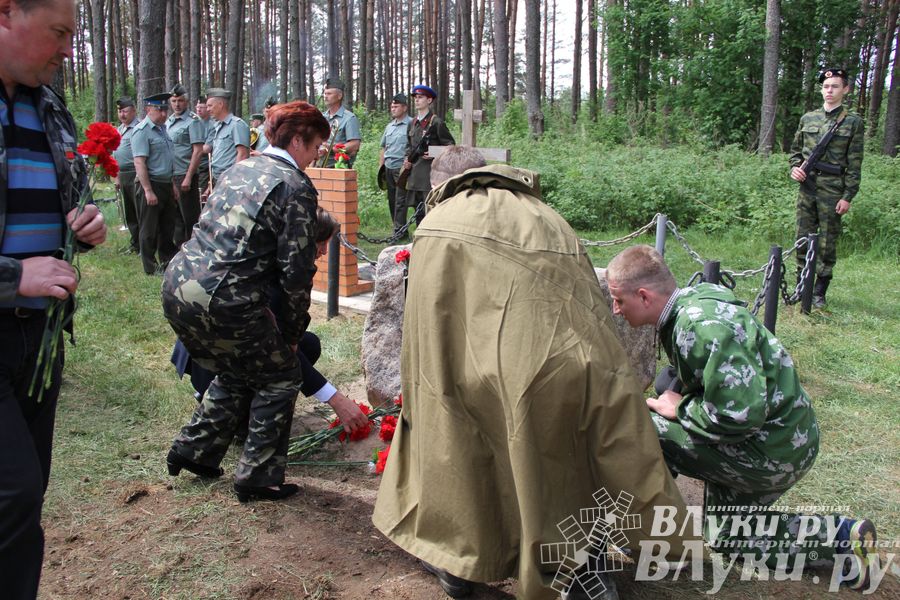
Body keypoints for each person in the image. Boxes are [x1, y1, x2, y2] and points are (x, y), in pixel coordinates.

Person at [373, 147, 697, 600]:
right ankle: (583, 574)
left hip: (476, 370)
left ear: (444, 185)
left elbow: (429, 325)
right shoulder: (548, 217)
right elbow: (590, 300)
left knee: (459, 454)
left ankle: (458, 565)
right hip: (566, 362)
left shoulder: (437, 225)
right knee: (563, 467)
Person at [605, 244, 876, 590]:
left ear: (643, 296)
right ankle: (842, 539)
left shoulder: (702, 327)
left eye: (619, 300)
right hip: (782, 439)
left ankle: (648, 525)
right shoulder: (693, 305)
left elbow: (738, 416)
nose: (615, 309)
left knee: (647, 428)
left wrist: (679, 408)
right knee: (729, 535)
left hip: (771, 451)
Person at [163, 101, 360, 503]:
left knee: (240, 367)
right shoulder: (295, 185)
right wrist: (289, 335)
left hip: (180, 286)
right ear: (298, 139)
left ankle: (194, 451)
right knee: (280, 374)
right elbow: (296, 271)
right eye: (318, 144)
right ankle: (258, 478)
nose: (320, 152)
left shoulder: (242, 167)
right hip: (227, 298)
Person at [0, 0, 108, 597]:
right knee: (10, 491)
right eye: (59, 32)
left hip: (38, 336)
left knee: (25, 499)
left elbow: (62, 206)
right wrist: (14, 277)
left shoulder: (50, 108)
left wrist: (82, 227)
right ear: (8, 13)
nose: (69, 48)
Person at [169, 207, 368, 436]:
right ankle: (219, 404)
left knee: (309, 344)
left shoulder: (280, 257)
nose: (324, 251)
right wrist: (335, 399)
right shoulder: (268, 270)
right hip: (212, 357)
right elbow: (281, 347)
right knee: (251, 428)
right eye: (321, 243)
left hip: (237, 346)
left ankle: (249, 404)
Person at [789, 67, 864, 308]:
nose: (829, 91)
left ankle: (819, 290)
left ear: (845, 89)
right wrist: (795, 168)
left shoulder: (852, 122)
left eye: (834, 86)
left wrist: (848, 196)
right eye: (825, 86)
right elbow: (795, 153)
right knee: (802, 236)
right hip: (807, 187)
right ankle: (801, 286)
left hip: (833, 190)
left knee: (827, 240)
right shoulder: (808, 118)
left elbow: (855, 163)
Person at [131, 91, 178, 275]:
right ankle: (150, 267)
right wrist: (148, 190)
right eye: (160, 110)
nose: (164, 114)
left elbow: (167, 160)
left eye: (165, 110)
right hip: (151, 184)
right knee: (149, 229)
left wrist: (173, 184)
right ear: (149, 109)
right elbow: (139, 162)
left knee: (167, 227)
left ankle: (167, 261)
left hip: (166, 183)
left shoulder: (162, 130)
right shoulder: (142, 131)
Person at [402, 84, 454, 225]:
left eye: (420, 97)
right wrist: (406, 159)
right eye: (415, 98)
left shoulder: (436, 122)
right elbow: (409, 145)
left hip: (430, 175)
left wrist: (434, 154)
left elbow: (450, 146)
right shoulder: (412, 123)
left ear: (429, 100)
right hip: (414, 174)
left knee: (430, 210)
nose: (417, 100)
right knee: (418, 212)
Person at [166, 83, 207, 247]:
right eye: (174, 101)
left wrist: (189, 177)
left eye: (180, 101)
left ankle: (193, 248)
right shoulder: (168, 122)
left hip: (185, 174)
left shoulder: (193, 121)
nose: (177, 104)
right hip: (170, 174)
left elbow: (197, 151)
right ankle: (178, 247)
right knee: (174, 215)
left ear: (187, 102)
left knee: (189, 216)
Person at [203, 87, 250, 188]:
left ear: (220, 104)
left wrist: (232, 180)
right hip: (217, 179)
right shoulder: (218, 126)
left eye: (210, 106)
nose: (208, 109)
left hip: (230, 180)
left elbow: (243, 155)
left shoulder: (237, 125)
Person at [379, 93, 412, 234]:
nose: (393, 109)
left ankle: (399, 232)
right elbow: (384, 148)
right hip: (389, 167)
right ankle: (397, 227)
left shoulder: (411, 124)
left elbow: (414, 146)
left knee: (401, 200)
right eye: (392, 106)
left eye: (396, 106)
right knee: (392, 199)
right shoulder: (389, 126)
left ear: (404, 108)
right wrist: (381, 167)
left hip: (402, 168)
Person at [112, 96, 141, 253]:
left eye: (125, 111)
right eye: (120, 111)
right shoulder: (120, 129)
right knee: (130, 213)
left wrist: (139, 176)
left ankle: (145, 245)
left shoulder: (139, 127)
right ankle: (135, 243)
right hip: (123, 175)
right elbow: (116, 155)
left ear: (133, 111)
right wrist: (116, 176)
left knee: (140, 212)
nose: (122, 115)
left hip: (135, 175)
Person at [319, 77, 361, 167]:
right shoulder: (321, 118)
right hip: (319, 167)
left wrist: (331, 149)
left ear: (339, 96)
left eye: (329, 94)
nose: (325, 96)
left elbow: (355, 145)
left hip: (338, 168)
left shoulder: (349, 118)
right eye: (325, 93)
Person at [194, 95, 211, 196]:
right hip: (190, 166)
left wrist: (193, 149)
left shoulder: (212, 124)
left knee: (201, 195)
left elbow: (207, 148)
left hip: (204, 167)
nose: (198, 110)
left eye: (201, 107)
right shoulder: (193, 122)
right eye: (197, 107)